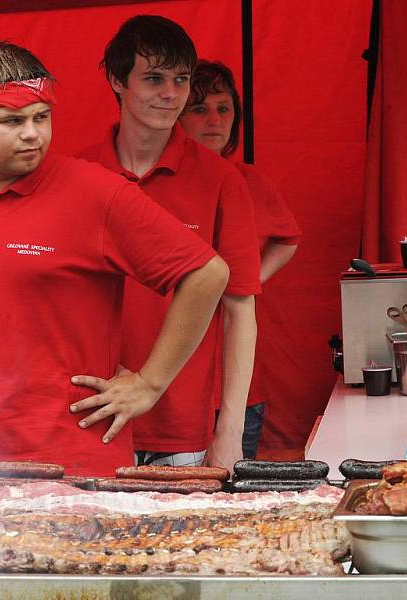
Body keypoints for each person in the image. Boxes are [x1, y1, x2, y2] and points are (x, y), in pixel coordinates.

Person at [0, 42, 229, 476]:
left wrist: (149, 384)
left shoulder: (98, 193)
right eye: (12, 121)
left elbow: (207, 273)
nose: (33, 133)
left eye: (41, 117)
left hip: (77, 466)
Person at [79, 17, 261, 473]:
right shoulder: (76, 175)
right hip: (87, 414)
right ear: (118, 81)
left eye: (180, 80)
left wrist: (230, 433)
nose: (170, 93)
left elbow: (240, 313)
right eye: (154, 78)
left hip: (180, 430)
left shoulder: (221, 179)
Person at [179, 59, 301, 459]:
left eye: (224, 108)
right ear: (175, 114)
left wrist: (248, 281)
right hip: (172, 388)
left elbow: (288, 238)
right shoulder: (156, 183)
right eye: (199, 109)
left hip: (237, 387)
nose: (214, 119)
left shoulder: (249, 182)